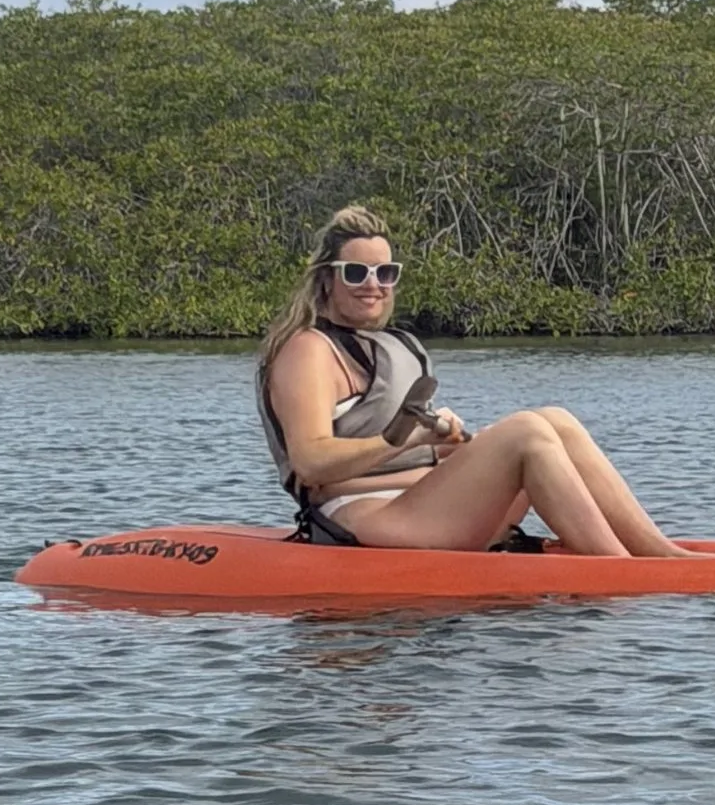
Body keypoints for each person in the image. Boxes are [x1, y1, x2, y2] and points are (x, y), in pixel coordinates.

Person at [257, 205, 683, 557]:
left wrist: (440, 443)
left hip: (429, 504)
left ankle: (660, 554)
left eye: (385, 274)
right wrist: (401, 439)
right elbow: (311, 461)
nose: (373, 285)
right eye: (356, 273)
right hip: (364, 517)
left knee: (557, 421)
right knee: (526, 433)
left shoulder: (393, 344)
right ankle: (621, 570)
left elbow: (401, 448)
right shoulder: (309, 349)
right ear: (327, 279)